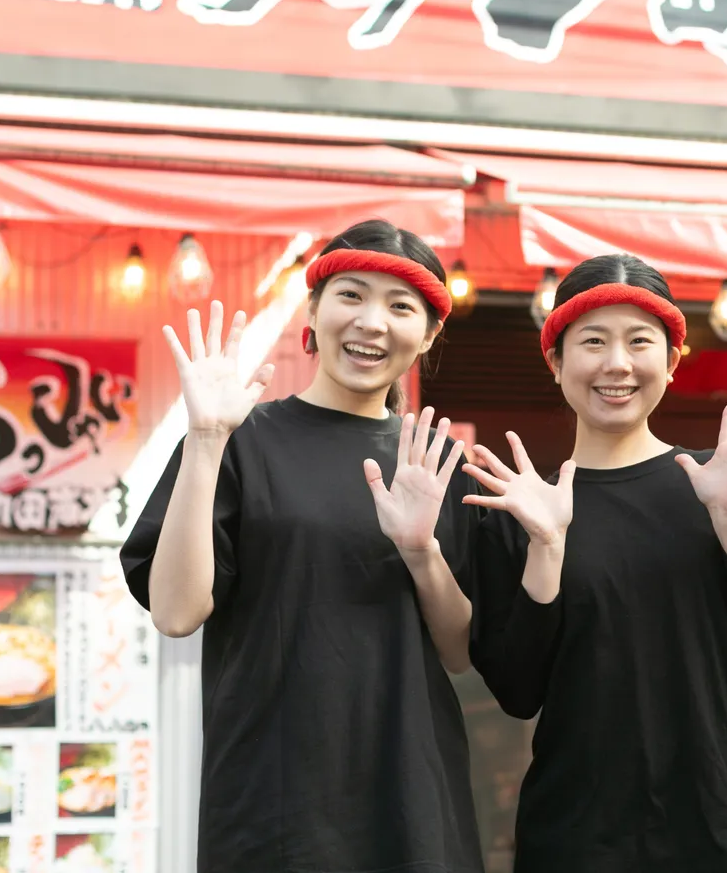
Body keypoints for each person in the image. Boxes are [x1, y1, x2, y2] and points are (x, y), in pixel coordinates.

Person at [119, 219, 484, 873]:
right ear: (312, 311)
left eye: (400, 307)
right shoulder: (239, 440)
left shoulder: (434, 464)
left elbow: (458, 650)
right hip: (271, 803)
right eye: (351, 295)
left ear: (429, 334)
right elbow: (175, 612)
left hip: (411, 795)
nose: (372, 321)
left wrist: (422, 551)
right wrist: (205, 440)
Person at [463, 253, 727, 873]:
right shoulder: (524, 508)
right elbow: (517, 692)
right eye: (592, 341)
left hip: (723, 825)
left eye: (639, 341)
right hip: (578, 837)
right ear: (555, 362)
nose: (617, 363)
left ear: (673, 361)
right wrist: (547, 546)